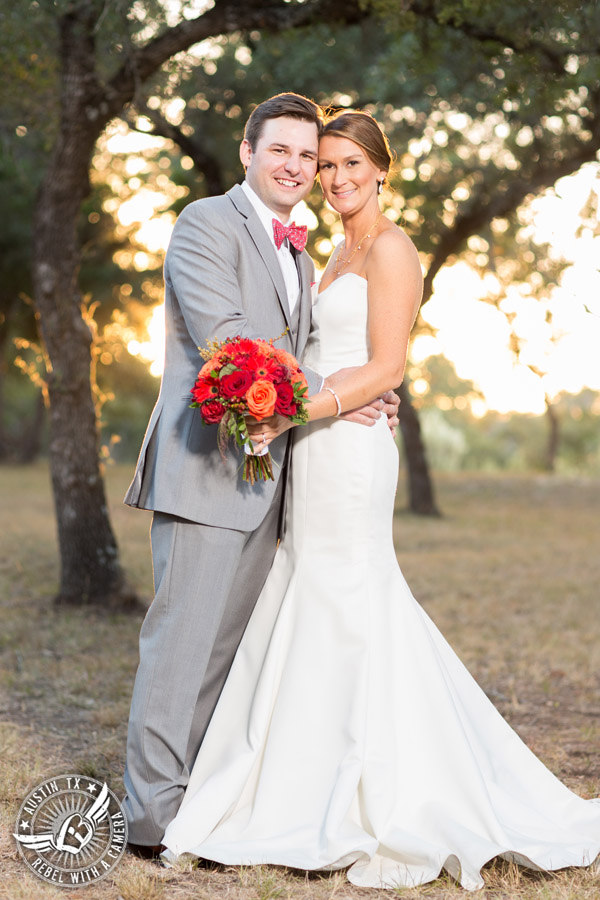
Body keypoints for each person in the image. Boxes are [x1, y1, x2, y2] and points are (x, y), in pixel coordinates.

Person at [160, 111, 600, 890]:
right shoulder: (328, 251)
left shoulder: (393, 249)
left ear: (382, 169)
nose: (334, 178)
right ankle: (302, 772)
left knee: (347, 595)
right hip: (311, 446)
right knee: (311, 594)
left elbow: (386, 366)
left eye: (349, 163)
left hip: (348, 454)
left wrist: (303, 406)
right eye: (324, 165)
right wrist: (318, 396)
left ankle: (369, 787)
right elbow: (319, 354)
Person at [122, 93, 400, 856]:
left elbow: (315, 358)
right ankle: (149, 822)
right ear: (247, 152)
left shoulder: (304, 250)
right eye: (281, 150)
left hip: (276, 481)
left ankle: (196, 801)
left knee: (223, 654)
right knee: (181, 647)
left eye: (307, 157)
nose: (297, 166)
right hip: (208, 471)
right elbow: (231, 344)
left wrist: (363, 390)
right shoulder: (207, 222)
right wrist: (338, 397)